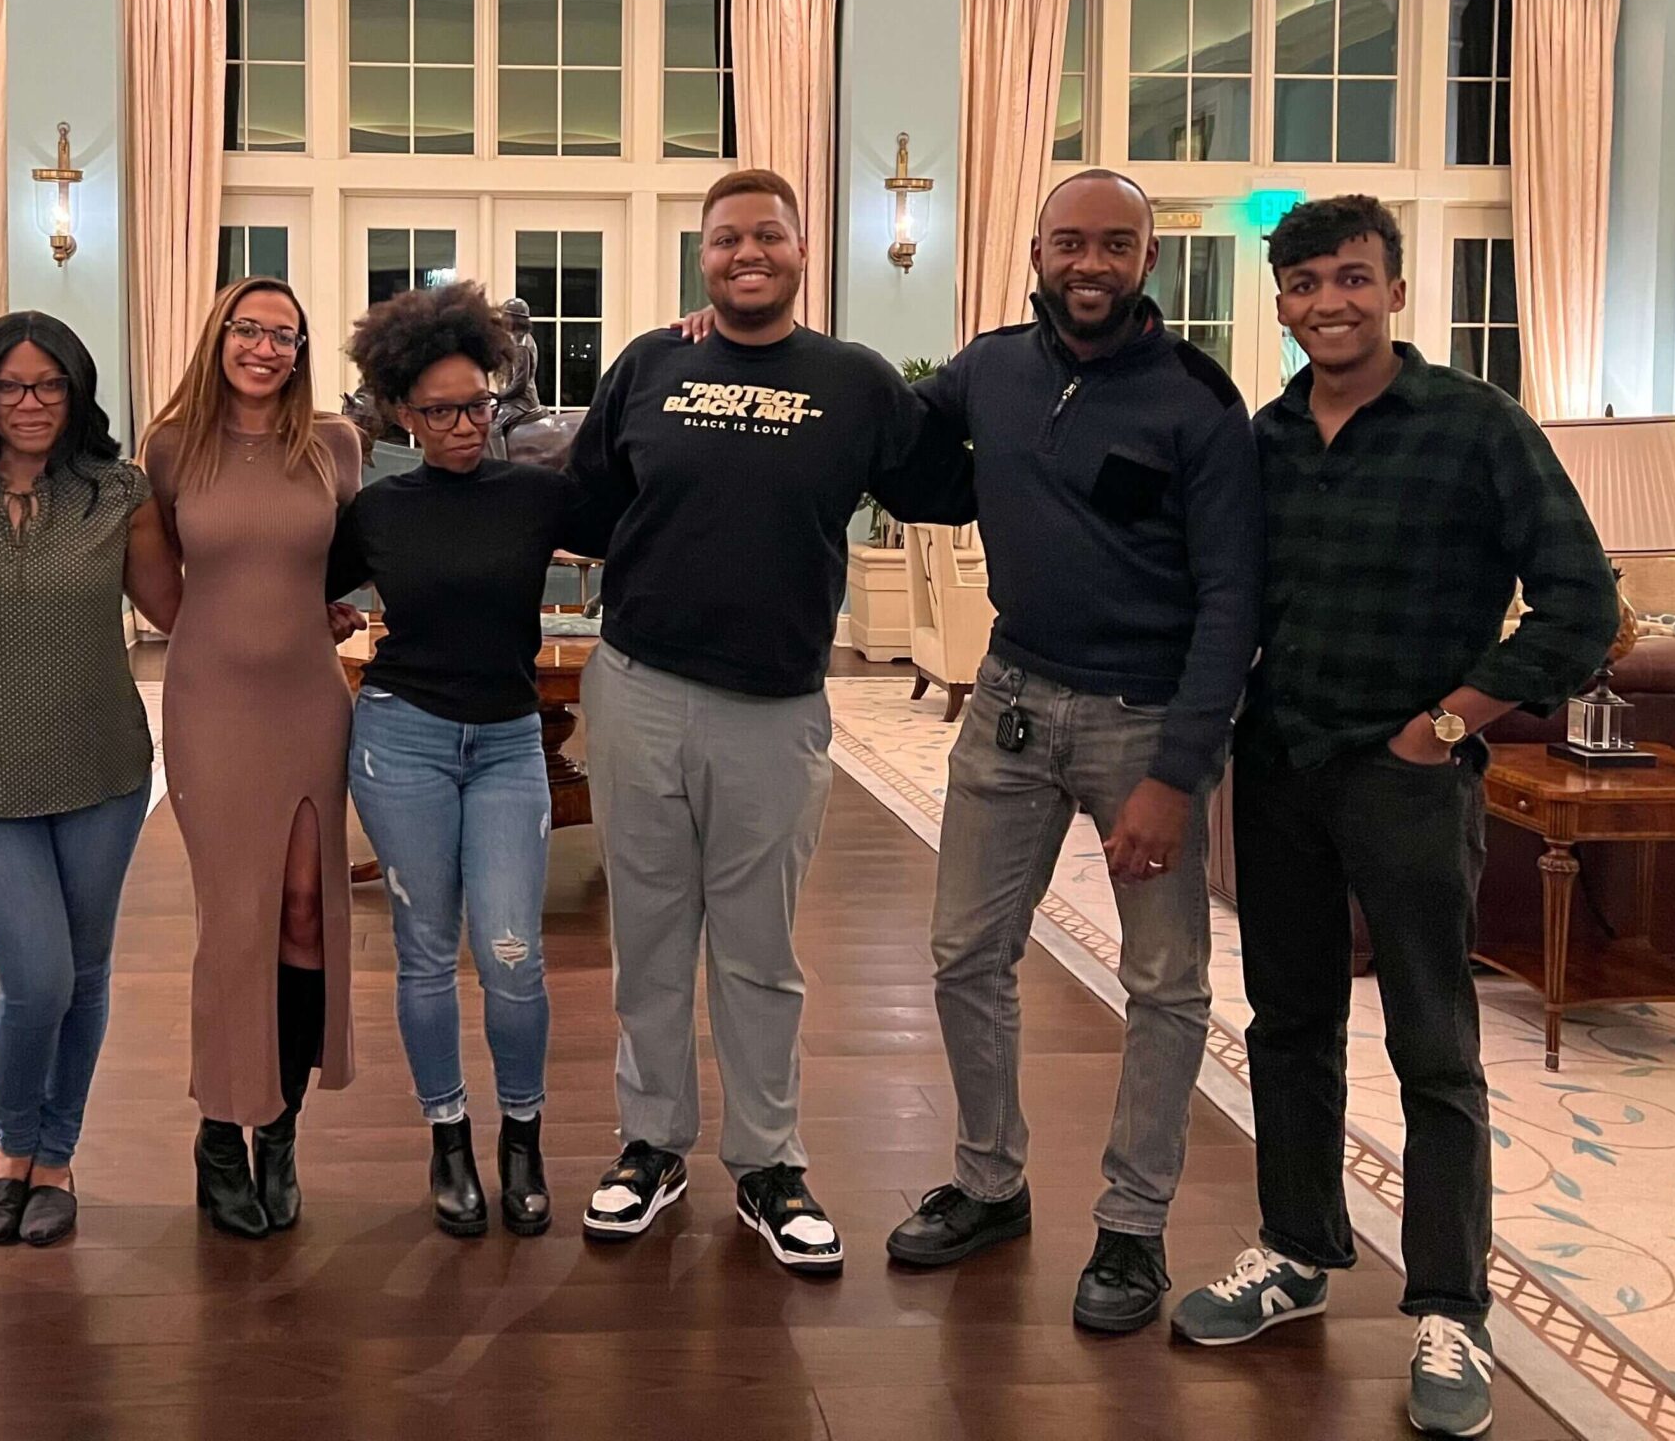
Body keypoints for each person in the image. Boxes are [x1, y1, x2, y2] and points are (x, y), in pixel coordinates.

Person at [1171, 197, 1615, 1439]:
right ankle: (1297, 1250)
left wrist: (1449, 723)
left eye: (1352, 279)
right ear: (1282, 303)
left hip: (1409, 772)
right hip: (1280, 762)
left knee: (1434, 1040)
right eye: (1306, 284)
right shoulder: (1259, 440)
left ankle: (1450, 1309)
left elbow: (1580, 603)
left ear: (1394, 289)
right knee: (1289, 1023)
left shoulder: (1476, 427)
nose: (1330, 303)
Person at [568, 167, 970, 1274]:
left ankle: (766, 1161)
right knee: (648, 940)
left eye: (767, 236)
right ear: (702, 257)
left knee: (757, 951)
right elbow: (587, 505)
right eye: (724, 239)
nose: (746, 252)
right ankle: (648, 1145)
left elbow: (953, 482)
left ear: (802, 251)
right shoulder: (651, 364)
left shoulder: (854, 382)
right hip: (639, 686)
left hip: (775, 709)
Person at [884, 170, 1261, 1335]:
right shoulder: (990, 367)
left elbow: (1232, 601)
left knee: (1164, 984)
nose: (1087, 263)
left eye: (1113, 244)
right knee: (963, 955)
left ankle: (1134, 1225)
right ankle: (990, 1184)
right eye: (1067, 244)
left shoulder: (1200, 403)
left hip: (1143, 721)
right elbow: (898, 443)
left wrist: (1175, 772)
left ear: (1147, 260)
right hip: (1007, 698)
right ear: (1036, 253)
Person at [326, 281, 614, 1238]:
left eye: (478, 403)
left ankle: (521, 1138)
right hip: (400, 735)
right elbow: (300, 592)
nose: (463, 423)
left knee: (513, 954)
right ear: (402, 413)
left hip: (505, 741)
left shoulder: (536, 496)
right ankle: (447, 1138)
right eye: (440, 409)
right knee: (421, 955)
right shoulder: (377, 510)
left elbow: (640, 526)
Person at [0, 312, 177, 1249]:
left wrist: (304, 598)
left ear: (76, 393)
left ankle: (55, 1158)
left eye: (49, 386)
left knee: (86, 970)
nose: (30, 404)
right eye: (12, 387)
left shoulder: (117, 492)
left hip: (101, 762)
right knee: (37, 974)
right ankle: (8, 1146)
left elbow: (177, 605)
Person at [142, 277, 365, 1239]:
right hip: (211, 706)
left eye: (286, 334)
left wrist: (318, 612)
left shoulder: (335, 444)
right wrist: (231, 634)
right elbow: (158, 591)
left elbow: (352, 559)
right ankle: (219, 1133)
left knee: (308, 909)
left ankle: (280, 1128)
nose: (266, 348)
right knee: (235, 919)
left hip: (310, 703)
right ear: (218, 333)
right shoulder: (170, 446)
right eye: (250, 329)